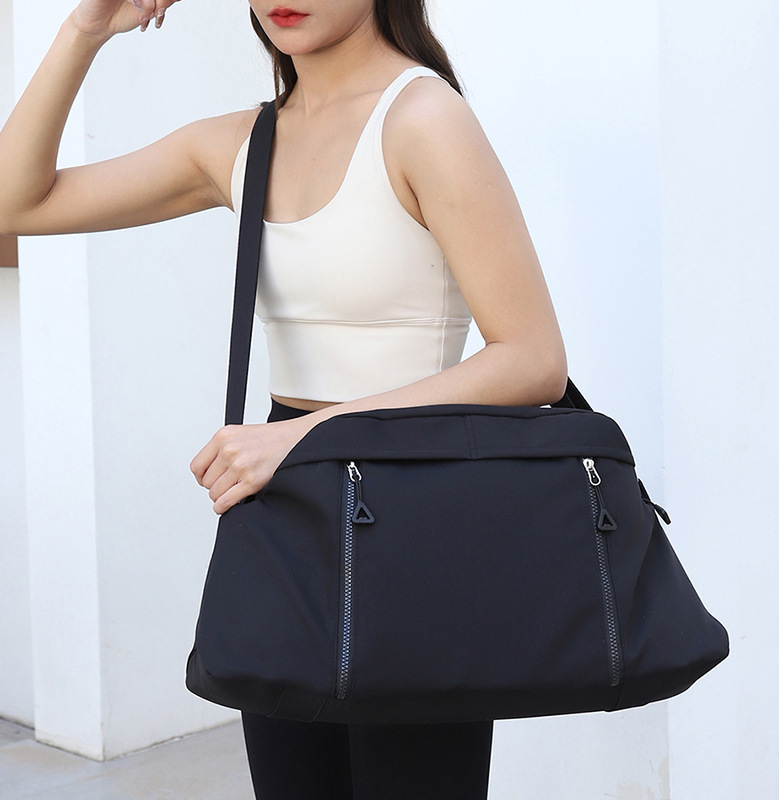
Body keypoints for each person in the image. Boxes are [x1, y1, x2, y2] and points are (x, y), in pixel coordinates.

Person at [0, 1, 568, 797]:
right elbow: (14, 205)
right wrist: (83, 31)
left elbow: (533, 360)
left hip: (413, 511)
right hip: (284, 511)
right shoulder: (241, 143)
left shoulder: (423, 119)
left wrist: (309, 436)